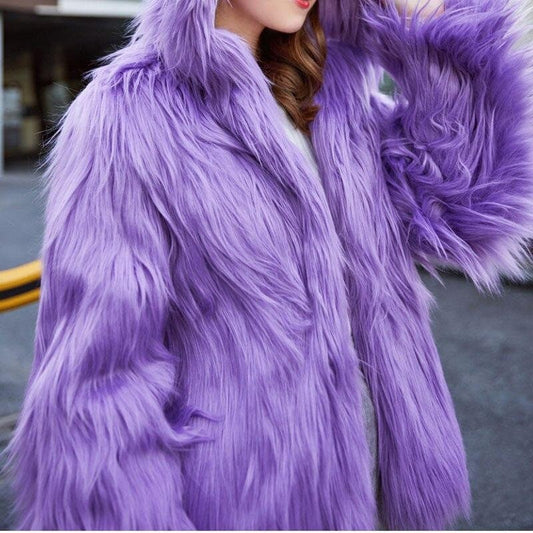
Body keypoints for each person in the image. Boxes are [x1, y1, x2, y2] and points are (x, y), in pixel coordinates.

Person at [2, 0, 533, 529]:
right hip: (248, 502)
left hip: (382, 483)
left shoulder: (332, 88)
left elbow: (461, 209)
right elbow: (101, 381)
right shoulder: (127, 113)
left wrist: (436, 35)